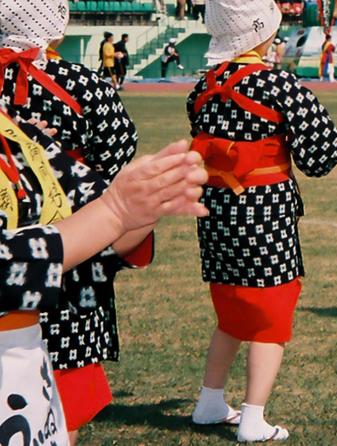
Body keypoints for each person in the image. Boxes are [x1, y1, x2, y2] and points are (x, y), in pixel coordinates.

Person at [187, 0, 337, 443]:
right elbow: (317, 154)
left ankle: (210, 401)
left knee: (230, 313)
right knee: (271, 320)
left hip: (216, 213)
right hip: (265, 213)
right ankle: (254, 418)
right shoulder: (278, 83)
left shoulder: (203, 87)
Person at [0, 0, 143, 443]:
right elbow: (119, 154)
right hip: (72, 244)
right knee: (63, 386)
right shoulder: (82, 84)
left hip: (9, 248)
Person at [0, 132, 207, 446]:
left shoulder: (12, 130)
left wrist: (144, 203)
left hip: (27, 358)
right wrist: (113, 212)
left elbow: (90, 204)